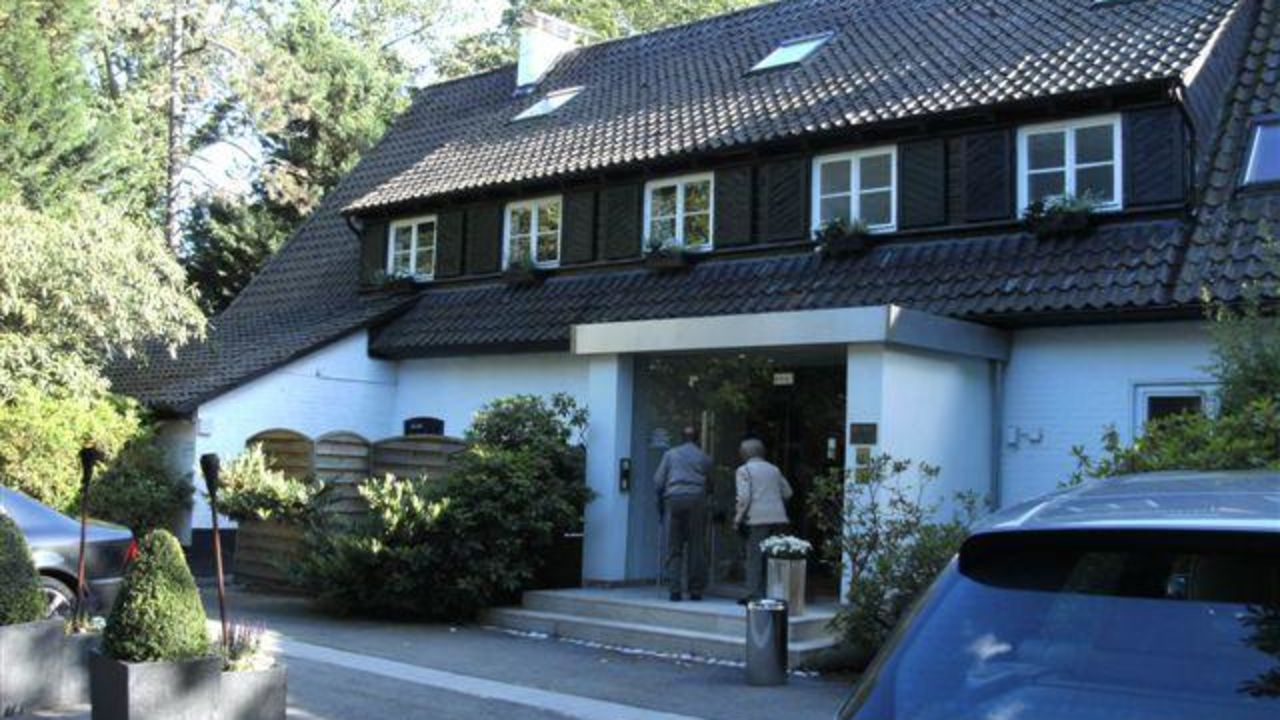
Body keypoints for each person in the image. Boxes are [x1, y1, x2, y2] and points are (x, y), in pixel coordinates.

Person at [653, 425, 713, 602]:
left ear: (681, 437)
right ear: (698, 438)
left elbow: (658, 481)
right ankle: (695, 590)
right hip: (696, 499)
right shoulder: (704, 457)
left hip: (674, 499)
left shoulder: (670, 455)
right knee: (696, 546)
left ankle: (674, 590)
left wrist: (660, 501)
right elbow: (711, 484)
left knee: (674, 545)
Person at [734, 437, 793, 604]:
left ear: (745, 453)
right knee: (772, 556)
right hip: (778, 518)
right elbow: (788, 492)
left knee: (754, 557)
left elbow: (744, 498)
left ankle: (753, 593)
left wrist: (737, 519)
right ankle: (773, 592)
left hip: (756, 519)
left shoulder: (744, 470)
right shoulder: (774, 469)